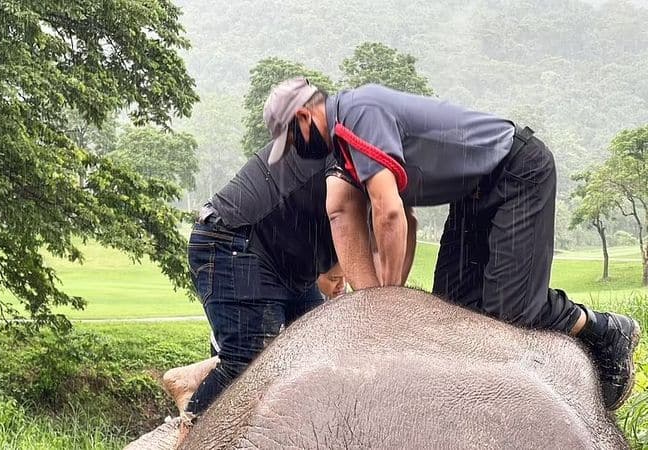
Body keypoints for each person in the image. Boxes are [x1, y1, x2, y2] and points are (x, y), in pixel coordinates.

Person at [262, 77, 640, 410]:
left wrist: (384, 303)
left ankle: (605, 330)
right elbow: (405, 221)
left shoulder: (359, 115)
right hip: (473, 192)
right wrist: (384, 296)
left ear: (304, 118)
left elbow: (389, 215)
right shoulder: (347, 144)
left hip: (517, 171)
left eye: (292, 140)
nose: (296, 148)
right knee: (452, 312)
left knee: (512, 314)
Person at [181, 139, 338, 429]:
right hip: (235, 242)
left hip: (285, 264)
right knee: (246, 366)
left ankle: (194, 378)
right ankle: (188, 436)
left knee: (315, 352)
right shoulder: (349, 157)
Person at [162, 264, 346, 415]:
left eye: (343, 278)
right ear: (315, 276)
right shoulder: (303, 291)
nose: (341, 285)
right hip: (238, 337)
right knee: (246, 373)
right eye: (334, 279)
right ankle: (189, 393)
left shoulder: (321, 296)